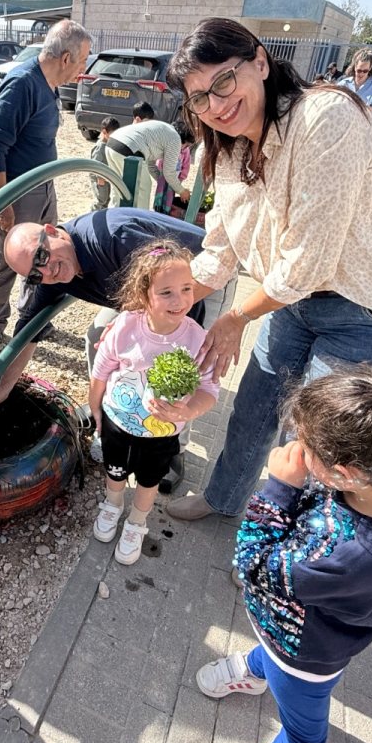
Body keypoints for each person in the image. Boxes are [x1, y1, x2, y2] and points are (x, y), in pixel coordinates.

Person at [162, 17, 372, 523]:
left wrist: (235, 318)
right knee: (253, 409)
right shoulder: (225, 148)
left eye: (223, 81)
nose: (216, 105)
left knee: (309, 446)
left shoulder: (325, 119)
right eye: (199, 97)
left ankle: (285, 543)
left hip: (371, 311)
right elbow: (220, 249)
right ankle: (223, 500)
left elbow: (306, 264)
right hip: (294, 301)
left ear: (260, 62)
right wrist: (162, 306)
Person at [194, 367, 372, 743]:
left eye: (305, 448)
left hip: (302, 657)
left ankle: (275, 690)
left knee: (303, 738)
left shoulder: (342, 554)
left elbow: (252, 565)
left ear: (343, 473)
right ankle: (256, 670)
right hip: (302, 626)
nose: (296, 451)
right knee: (271, 655)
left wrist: (278, 490)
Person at [0, 208, 238, 493]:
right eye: (34, 275)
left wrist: (130, 320)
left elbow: (174, 288)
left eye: (41, 257)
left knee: (173, 361)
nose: (46, 271)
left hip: (200, 277)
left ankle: (173, 446)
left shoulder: (113, 238)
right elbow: (28, 329)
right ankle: (112, 412)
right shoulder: (53, 274)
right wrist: (4, 386)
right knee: (99, 336)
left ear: (52, 231)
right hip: (144, 295)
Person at [89, 241, 219, 565]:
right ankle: (113, 504)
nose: (180, 300)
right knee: (114, 471)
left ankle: (137, 521)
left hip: (162, 432)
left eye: (187, 288)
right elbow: (101, 369)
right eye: (166, 292)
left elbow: (209, 389)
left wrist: (188, 410)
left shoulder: (198, 340)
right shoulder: (125, 326)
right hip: (117, 423)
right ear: (144, 293)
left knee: (149, 481)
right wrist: (95, 407)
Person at [0, 19, 93, 355]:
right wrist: (3, 202)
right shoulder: (22, 84)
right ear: (65, 58)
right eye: (82, 60)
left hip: (44, 188)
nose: (83, 69)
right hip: (18, 192)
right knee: (9, 258)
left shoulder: (50, 85)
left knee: (43, 255)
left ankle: (31, 319)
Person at [103, 102, 185, 209]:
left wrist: (161, 181)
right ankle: (139, 217)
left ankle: (113, 216)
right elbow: (169, 172)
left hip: (112, 142)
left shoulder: (164, 131)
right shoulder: (175, 139)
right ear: (185, 141)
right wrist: (181, 190)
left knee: (118, 186)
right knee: (143, 187)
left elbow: (150, 165)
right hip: (128, 148)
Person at [154, 119, 197, 215]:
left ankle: (166, 210)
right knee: (160, 191)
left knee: (170, 193)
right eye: (183, 143)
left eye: (187, 145)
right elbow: (160, 160)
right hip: (163, 174)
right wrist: (159, 170)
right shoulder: (169, 145)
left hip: (176, 177)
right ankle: (157, 208)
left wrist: (182, 177)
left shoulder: (185, 151)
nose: (184, 146)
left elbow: (186, 165)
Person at [337, 49, 372, 115]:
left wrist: (362, 107)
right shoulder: (343, 84)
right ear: (355, 67)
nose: (361, 74)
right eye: (359, 70)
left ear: (370, 68)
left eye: (365, 71)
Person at [89, 116, 122, 211]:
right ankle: (92, 215)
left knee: (107, 200)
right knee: (101, 201)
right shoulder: (100, 147)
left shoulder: (109, 144)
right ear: (104, 132)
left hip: (106, 178)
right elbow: (95, 165)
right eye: (113, 134)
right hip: (100, 180)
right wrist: (100, 179)